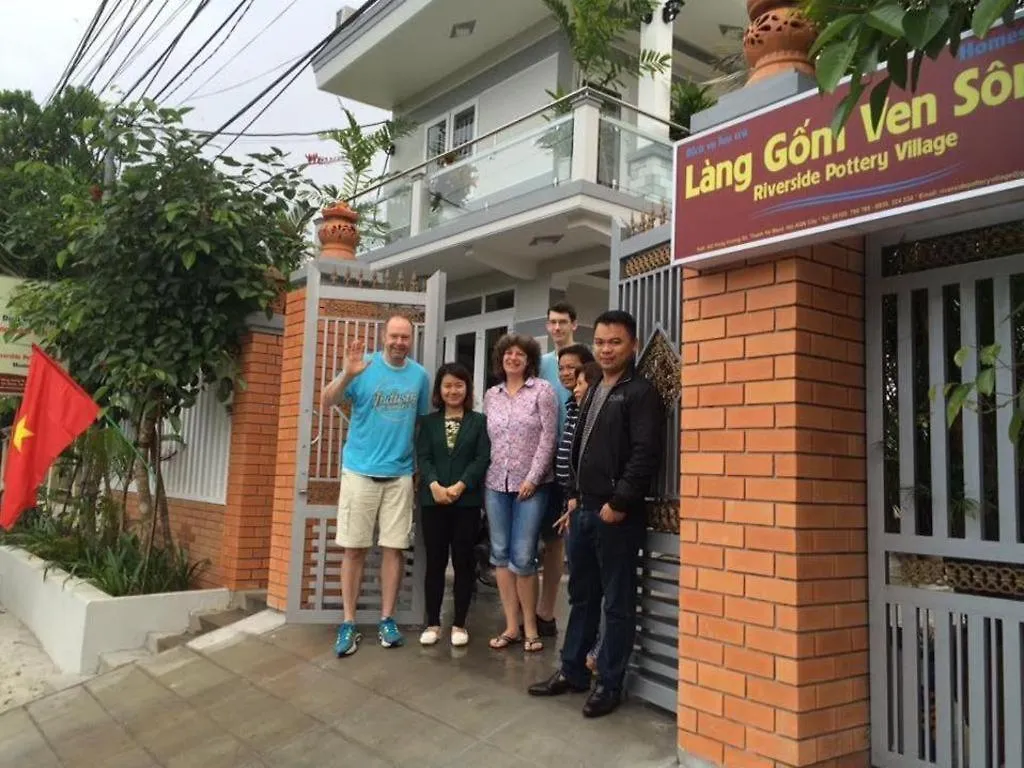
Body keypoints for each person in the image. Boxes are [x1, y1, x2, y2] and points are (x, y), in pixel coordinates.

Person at [529, 310, 663, 718]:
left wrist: (619, 502)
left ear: (633, 345)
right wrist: (572, 497)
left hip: (615, 515)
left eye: (615, 342)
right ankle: (573, 671)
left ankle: (609, 682)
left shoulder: (640, 393)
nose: (606, 349)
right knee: (582, 595)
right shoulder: (594, 389)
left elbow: (645, 454)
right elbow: (579, 449)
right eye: (601, 342)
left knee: (617, 603)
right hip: (584, 511)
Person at [320, 315, 431, 657]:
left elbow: (422, 425)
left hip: (399, 475)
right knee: (354, 549)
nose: (400, 342)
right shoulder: (362, 367)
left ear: (411, 340)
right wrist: (347, 375)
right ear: (384, 336)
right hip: (359, 472)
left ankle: (387, 620)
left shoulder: (420, 376)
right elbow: (326, 401)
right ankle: (349, 622)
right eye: (394, 336)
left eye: (405, 337)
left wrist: (419, 469)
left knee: (394, 549)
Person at [483, 333, 558, 653]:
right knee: (500, 554)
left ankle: (531, 627)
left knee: (524, 557)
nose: (513, 358)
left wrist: (533, 477)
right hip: (496, 484)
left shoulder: (543, 390)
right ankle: (511, 626)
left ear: (530, 361)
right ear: (501, 359)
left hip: (533, 486)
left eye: (520, 354)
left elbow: (548, 438)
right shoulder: (491, 395)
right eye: (508, 353)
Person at [415, 363, 490, 647]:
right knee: (434, 563)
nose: (453, 390)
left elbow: (481, 459)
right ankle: (433, 623)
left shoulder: (479, 421)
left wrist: (460, 486)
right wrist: (434, 485)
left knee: (463, 563)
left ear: (467, 389)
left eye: (459, 385)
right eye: (447, 385)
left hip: (466, 503)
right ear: (439, 390)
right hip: (433, 502)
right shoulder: (428, 422)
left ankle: (459, 624)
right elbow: (424, 457)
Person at [535, 301, 585, 637]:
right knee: (545, 540)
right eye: (551, 322)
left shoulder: (587, 359)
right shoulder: (540, 364)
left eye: (562, 322)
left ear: (574, 325)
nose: (556, 328)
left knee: (568, 541)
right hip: (543, 461)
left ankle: (555, 612)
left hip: (579, 461)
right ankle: (540, 612)